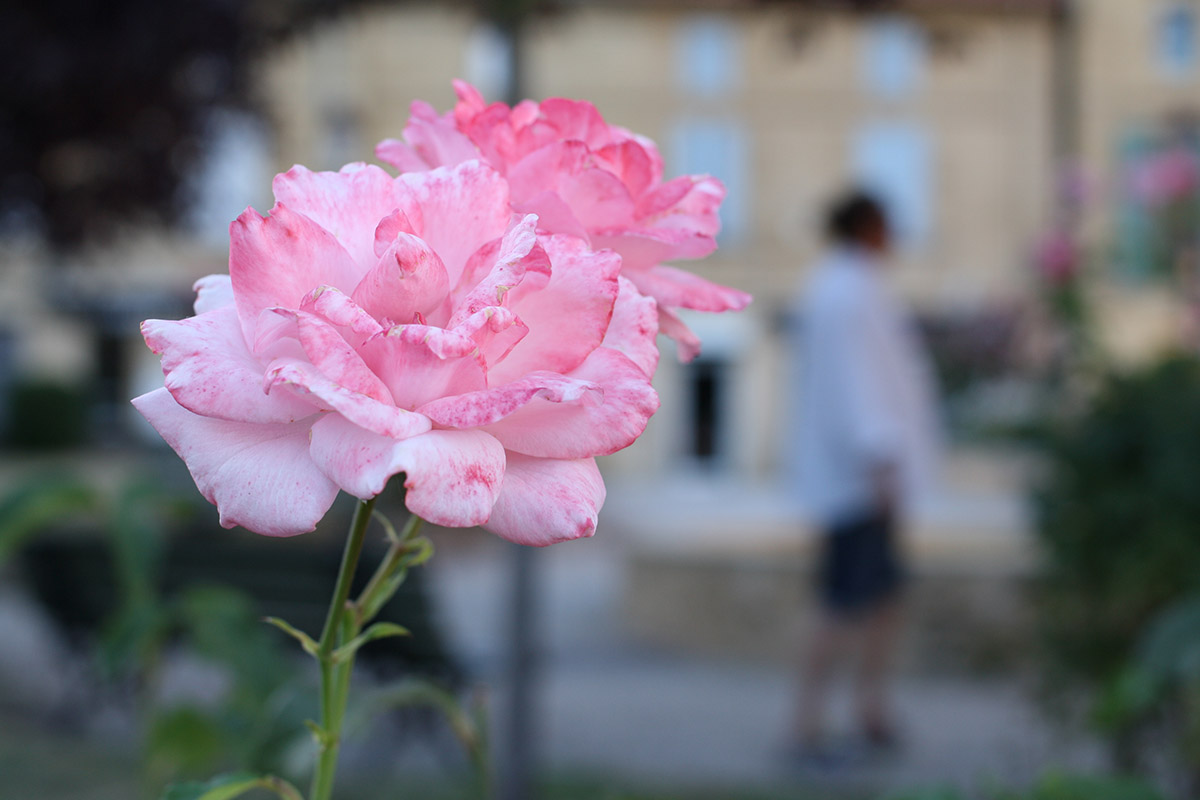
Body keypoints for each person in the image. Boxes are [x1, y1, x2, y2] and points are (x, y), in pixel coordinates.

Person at [790, 190, 941, 760]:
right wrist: (878, 459)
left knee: (880, 600)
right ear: (871, 227)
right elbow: (858, 387)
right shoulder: (846, 292)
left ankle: (867, 710)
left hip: (865, 476)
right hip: (859, 479)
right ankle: (805, 727)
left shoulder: (849, 285)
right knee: (842, 603)